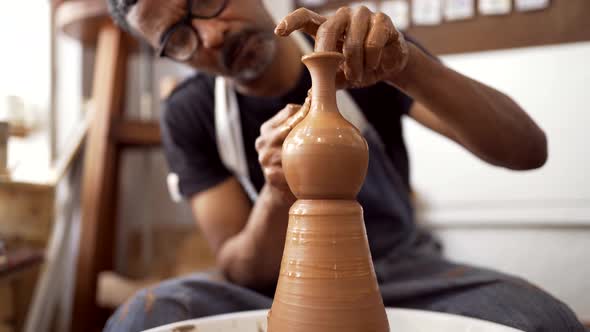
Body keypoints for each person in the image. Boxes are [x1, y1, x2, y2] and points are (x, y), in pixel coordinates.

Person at [104, 0, 585, 331]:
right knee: (143, 318)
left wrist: (407, 66)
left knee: (543, 321)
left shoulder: (366, 54)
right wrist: (278, 189)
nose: (210, 34)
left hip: (402, 272)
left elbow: (528, 150)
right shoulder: (189, 111)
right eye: (177, 38)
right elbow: (241, 268)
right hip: (274, 288)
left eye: (208, 0)